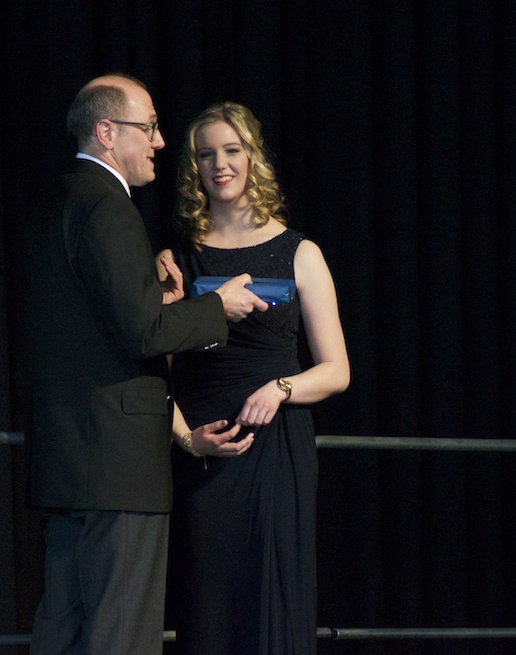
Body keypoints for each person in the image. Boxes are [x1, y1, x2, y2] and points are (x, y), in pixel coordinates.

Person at [24, 75, 267, 655]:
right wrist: (217, 307)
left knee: (64, 631)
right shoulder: (108, 205)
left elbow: (97, 323)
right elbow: (141, 333)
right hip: (118, 465)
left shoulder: (59, 197)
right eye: (150, 127)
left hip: (69, 459)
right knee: (121, 636)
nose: (159, 141)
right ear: (108, 132)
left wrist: (160, 302)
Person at [159, 102, 350, 654]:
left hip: (276, 448)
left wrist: (282, 388)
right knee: (209, 603)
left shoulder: (300, 252)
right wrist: (186, 439)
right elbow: (155, 371)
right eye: (206, 154)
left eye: (231, 150)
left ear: (252, 157)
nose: (219, 164)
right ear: (193, 167)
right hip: (206, 451)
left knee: (275, 593)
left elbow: (337, 370)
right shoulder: (177, 258)